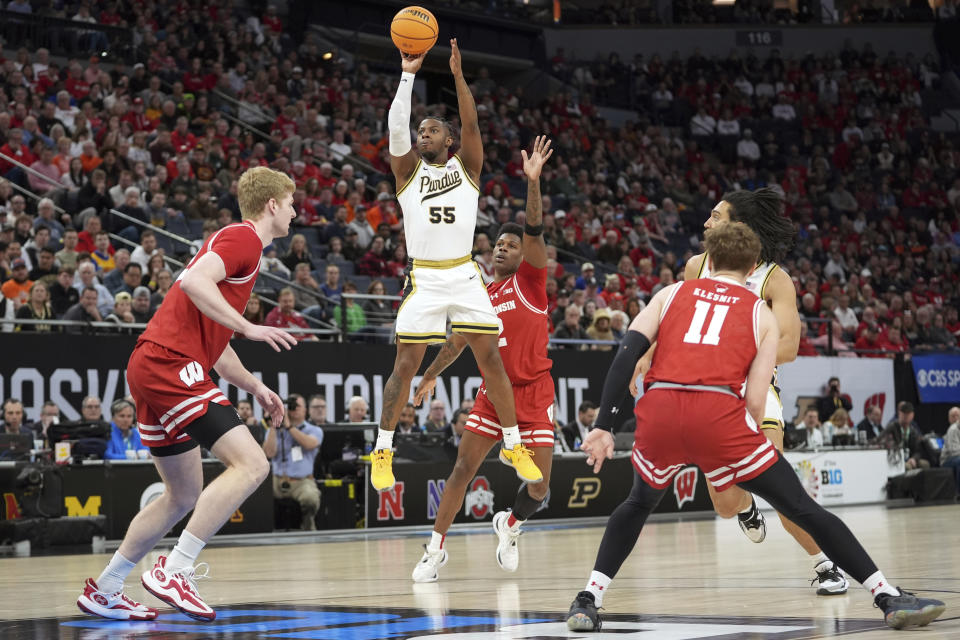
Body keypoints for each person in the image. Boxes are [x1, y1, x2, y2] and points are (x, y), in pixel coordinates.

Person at [565, 223, 946, 632]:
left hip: (660, 411)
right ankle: (886, 596)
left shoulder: (670, 293)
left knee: (639, 503)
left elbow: (626, 356)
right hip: (717, 413)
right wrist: (736, 453)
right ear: (751, 270)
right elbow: (755, 398)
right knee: (801, 507)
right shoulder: (758, 311)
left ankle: (588, 599)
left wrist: (604, 426)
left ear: (707, 259)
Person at [76, 166, 299, 622]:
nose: (295, 213)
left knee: (182, 493)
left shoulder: (241, 252)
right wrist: (250, 326)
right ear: (272, 205)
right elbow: (192, 282)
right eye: (291, 204)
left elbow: (216, 350)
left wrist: (255, 386)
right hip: (169, 363)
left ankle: (107, 587)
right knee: (253, 463)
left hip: (156, 364)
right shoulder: (243, 239)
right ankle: (175, 567)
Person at [632, 187, 846, 595]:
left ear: (738, 227)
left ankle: (825, 566)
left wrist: (735, 356)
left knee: (783, 491)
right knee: (726, 506)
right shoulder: (695, 267)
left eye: (715, 216)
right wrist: (648, 353)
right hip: (709, 392)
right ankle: (747, 507)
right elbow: (676, 322)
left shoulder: (774, 278)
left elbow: (789, 346)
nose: (706, 222)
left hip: (757, 388)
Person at [372, 40, 538, 492]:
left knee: (492, 361)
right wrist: (408, 74)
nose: (422, 135)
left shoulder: (467, 167)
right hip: (424, 275)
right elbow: (395, 128)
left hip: (465, 274)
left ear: (447, 140)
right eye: (420, 131)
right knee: (405, 364)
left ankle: (513, 443)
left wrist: (459, 76)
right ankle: (384, 449)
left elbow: (471, 120)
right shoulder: (407, 173)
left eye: (431, 131)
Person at [409, 136, 555, 582]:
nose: (501, 248)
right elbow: (454, 344)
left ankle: (509, 525)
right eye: (497, 244)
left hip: (534, 394)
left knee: (539, 487)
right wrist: (429, 376)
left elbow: (533, 229)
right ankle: (434, 550)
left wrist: (532, 183)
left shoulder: (530, 283)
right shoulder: (480, 297)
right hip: (493, 397)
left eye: (509, 245)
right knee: (462, 469)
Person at [262, 394, 323, 531]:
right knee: (256, 493)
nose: (293, 409)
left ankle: (307, 528)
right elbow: (268, 454)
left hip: (301, 482)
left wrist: (289, 427)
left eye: (297, 406)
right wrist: (273, 426)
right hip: (276, 481)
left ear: (305, 410)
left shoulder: (314, 430)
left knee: (311, 499)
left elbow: (309, 444)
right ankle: (264, 530)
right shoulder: (275, 430)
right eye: (290, 407)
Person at [878, 402, 930, 470]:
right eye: (904, 415)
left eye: (908, 415)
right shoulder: (892, 427)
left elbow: (918, 450)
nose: (906, 417)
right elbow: (881, 440)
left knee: (924, 464)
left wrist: (913, 458)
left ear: (912, 415)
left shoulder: (913, 430)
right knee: (907, 467)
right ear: (899, 414)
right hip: (896, 459)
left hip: (909, 458)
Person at [941, 406, 960, 494]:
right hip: (947, 460)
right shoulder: (953, 429)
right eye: (953, 416)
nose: (956, 418)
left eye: (957, 416)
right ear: (949, 418)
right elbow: (954, 452)